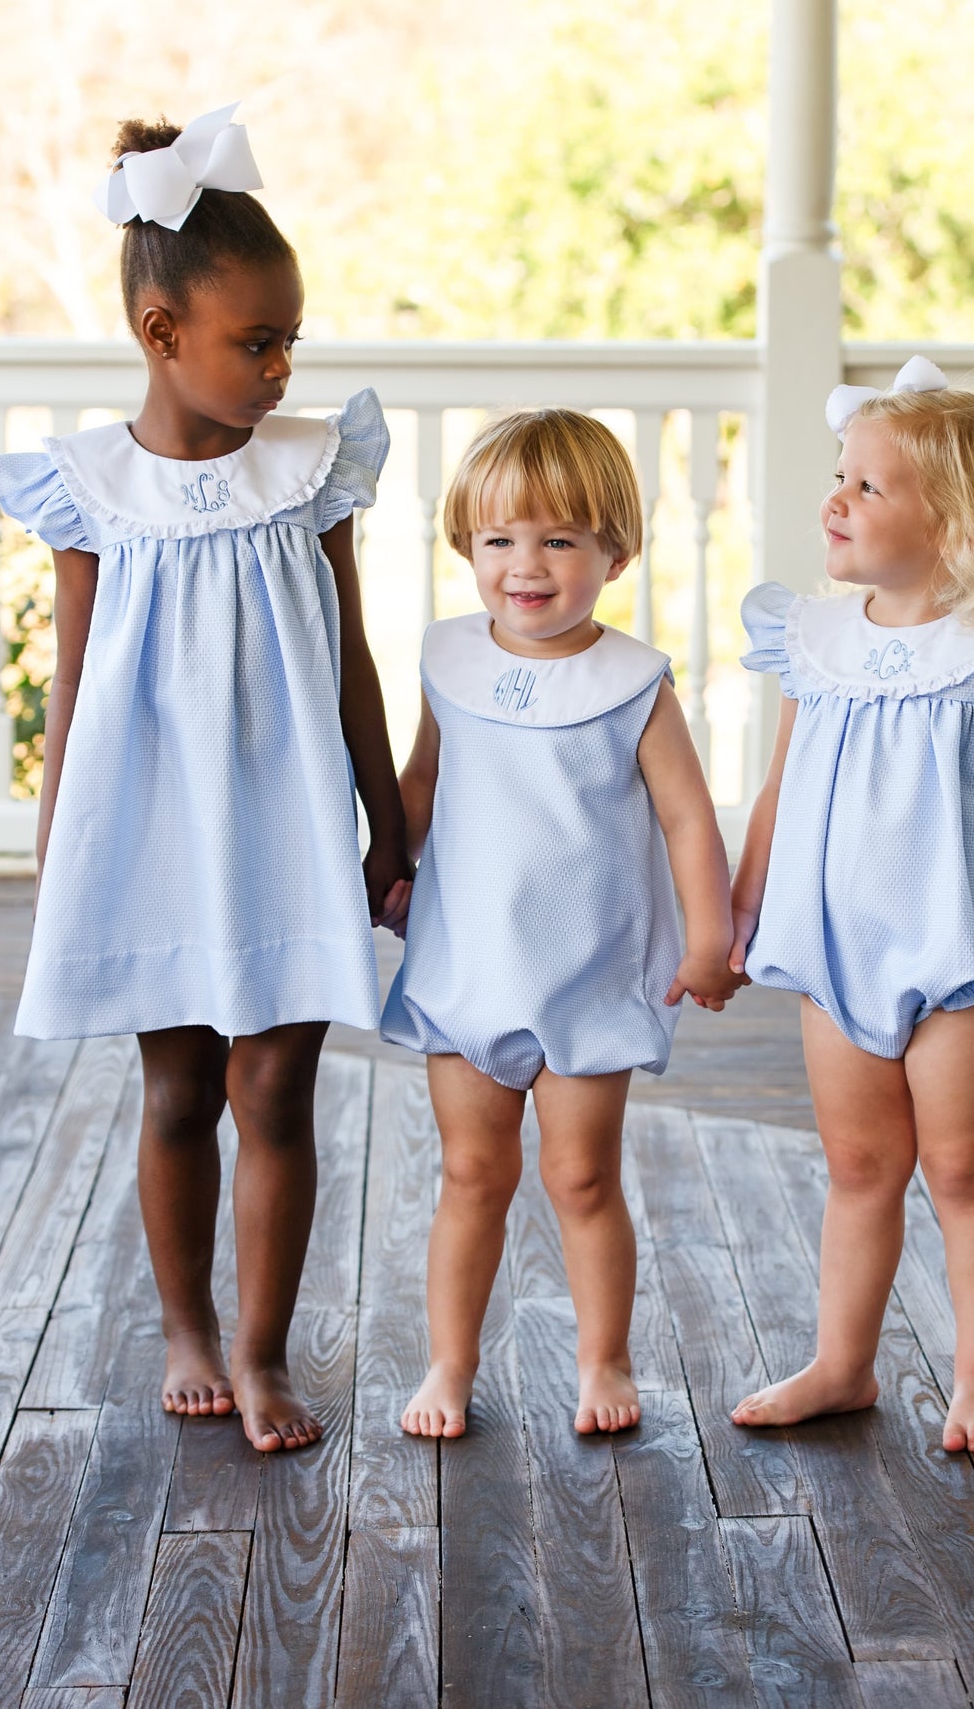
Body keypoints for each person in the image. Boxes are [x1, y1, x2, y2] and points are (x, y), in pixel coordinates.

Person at [0, 105, 410, 1454]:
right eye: (256, 341)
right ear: (161, 332)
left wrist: (387, 828)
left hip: (289, 823)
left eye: (291, 337)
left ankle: (262, 1347)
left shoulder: (309, 476)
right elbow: (71, 687)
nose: (284, 367)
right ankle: (185, 1326)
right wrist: (61, 849)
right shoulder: (89, 490)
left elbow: (351, 657)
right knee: (176, 1090)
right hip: (153, 831)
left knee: (277, 1089)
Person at [728, 357, 974, 1453]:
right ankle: (842, 1364)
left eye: (868, 487)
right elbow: (780, 786)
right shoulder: (813, 643)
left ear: (955, 522)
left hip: (968, 949)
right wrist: (739, 907)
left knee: (961, 1167)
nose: (836, 499)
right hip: (832, 952)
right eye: (839, 477)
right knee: (859, 1168)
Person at [381, 408, 743, 1437]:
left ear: (611, 552)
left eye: (557, 540)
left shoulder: (630, 683)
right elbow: (423, 779)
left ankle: (603, 1359)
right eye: (498, 539)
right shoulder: (447, 659)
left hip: (587, 967)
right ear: (466, 547)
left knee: (580, 1174)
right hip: (466, 964)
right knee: (468, 1173)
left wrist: (707, 938)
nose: (523, 566)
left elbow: (685, 818)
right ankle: (449, 1366)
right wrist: (389, 868)